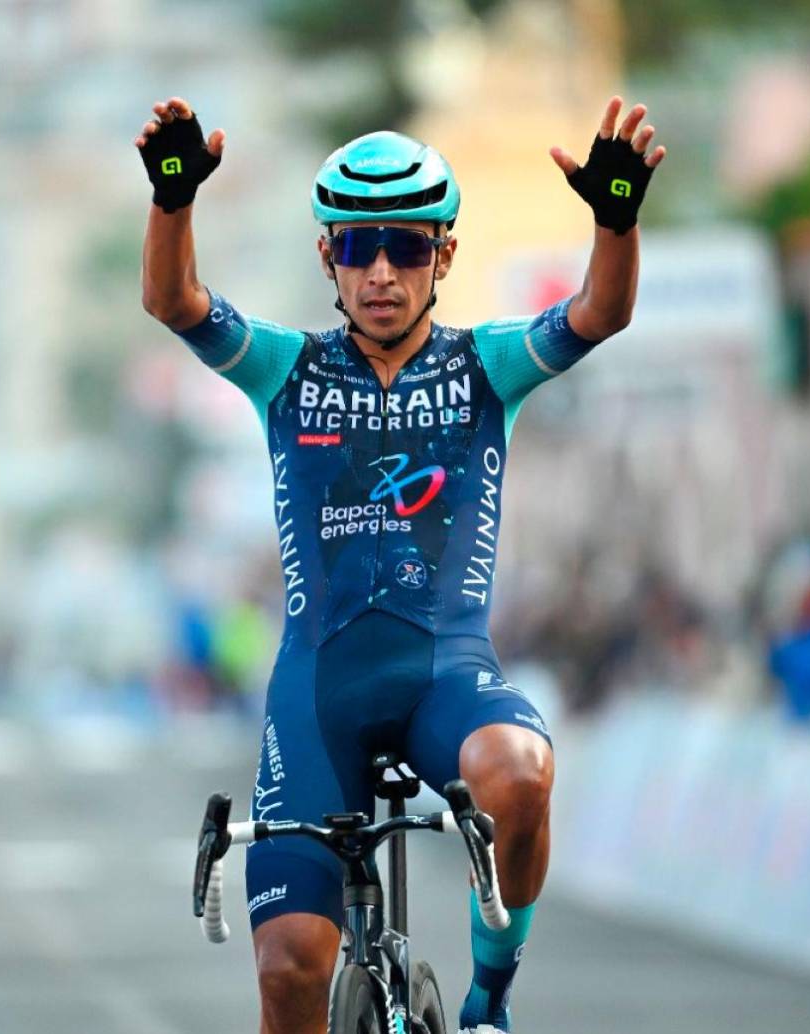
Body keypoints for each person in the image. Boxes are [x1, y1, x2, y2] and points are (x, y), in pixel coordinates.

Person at [136, 95, 665, 1034]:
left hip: (445, 678)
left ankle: (488, 997)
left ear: (444, 259)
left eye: (408, 248)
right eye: (357, 247)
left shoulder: (487, 367)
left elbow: (599, 313)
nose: (382, 271)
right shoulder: (284, 370)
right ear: (328, 259)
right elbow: (174, 304)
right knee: (293, 971)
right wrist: (173, 204)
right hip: (319, 693)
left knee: (523, 774)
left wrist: (614, 224)